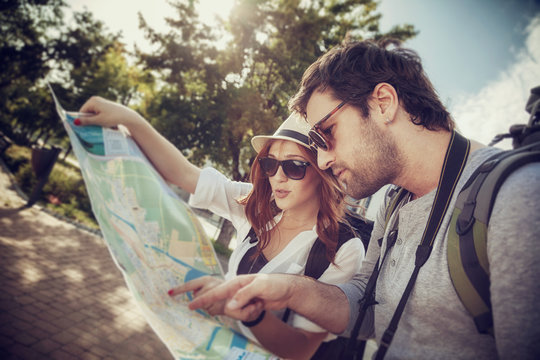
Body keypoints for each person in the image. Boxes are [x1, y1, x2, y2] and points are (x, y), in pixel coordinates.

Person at [182, 39, 540, 359]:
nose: (321, 160)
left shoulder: (517, 197)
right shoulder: (394, 203)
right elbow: (365, 311)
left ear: (383, 103)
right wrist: (286, 289)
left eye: (327, 133)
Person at [75, 100, 366, 360]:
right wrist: (130, 119)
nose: (277, 177)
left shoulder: (342, 248)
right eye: (269, 163)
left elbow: (302, 349)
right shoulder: (256, 204)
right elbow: (185, 173)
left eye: (294, 166)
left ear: (323, 171)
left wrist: (252, 315)